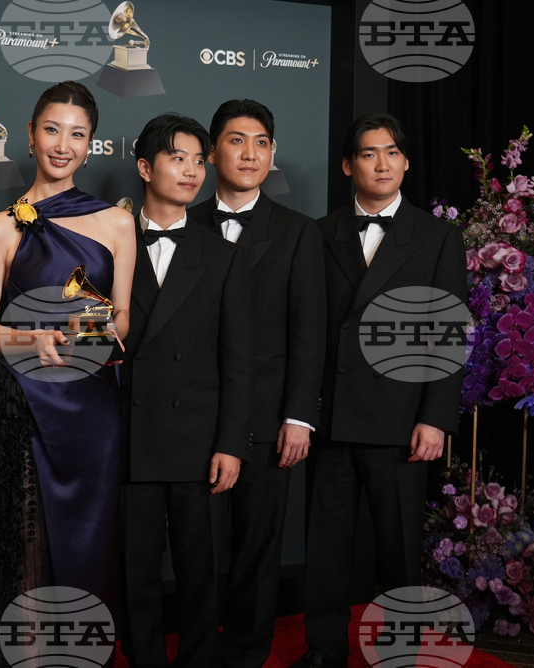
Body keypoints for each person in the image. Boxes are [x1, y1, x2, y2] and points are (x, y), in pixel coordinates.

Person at [0, 81, 136, 665]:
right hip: (25, 411)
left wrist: (79, 338)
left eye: (78, 134)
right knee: (28, 550)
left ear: (91, 144)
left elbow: (122, 322)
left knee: (90, 546)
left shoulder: (117, 222)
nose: (63, 145)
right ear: (31, 134)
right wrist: (29, 339)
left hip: (93, 413)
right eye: (52, 130)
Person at [292, 112, 465, 668]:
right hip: (335, 416)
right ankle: (323, 649)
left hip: (402, 420)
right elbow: (308, 332)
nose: (382, 163)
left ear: (406, 161)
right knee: (326, 549)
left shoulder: (439, 237)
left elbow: (448, 333)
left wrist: (436, 417)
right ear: (349, 165)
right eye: (369, 154)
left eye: (392, 152)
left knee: (398, 551)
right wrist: (302, 412)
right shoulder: (319, 233)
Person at [188, 99, 326, 668]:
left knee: (256, 549)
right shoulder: (183, 222)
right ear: (213, 151)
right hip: (195, 416)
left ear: (272, 154)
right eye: (237, 140)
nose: (250, 153)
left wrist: (299, 415)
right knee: (198, 551)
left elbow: (309, 331)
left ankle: (245, 655)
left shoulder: (298, 232)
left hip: (269, 419)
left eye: (262, 142)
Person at [119, 112, 253, 667]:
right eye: (179, 158)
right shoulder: (110, 245)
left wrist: (231, 442)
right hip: (127, 438)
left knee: (202, 575)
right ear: (146, 166)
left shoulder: (222, 254)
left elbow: (238, 361)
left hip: (199, 443)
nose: (193, 171)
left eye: (200, 160)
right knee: (134, 575)